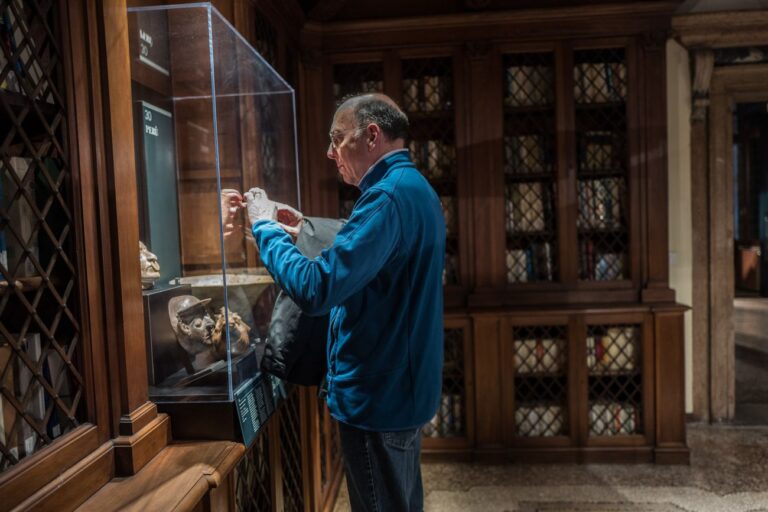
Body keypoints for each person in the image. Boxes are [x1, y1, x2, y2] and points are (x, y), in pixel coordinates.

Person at [244, 93, 445, 511]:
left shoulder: (386, 197)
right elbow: (372, 255)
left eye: (337, 139)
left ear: (371, 135)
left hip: (378, 398)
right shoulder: (411, 187)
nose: (330, 151)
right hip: (400, 390)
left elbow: (318, 289)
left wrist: (263, 228)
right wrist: (301, 229)